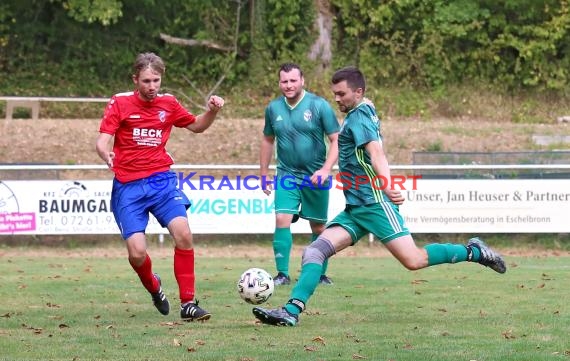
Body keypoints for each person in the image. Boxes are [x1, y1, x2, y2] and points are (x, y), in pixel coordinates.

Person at [253, 66, 507, 326]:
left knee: (414, 260)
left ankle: (474, 251)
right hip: (355, 209)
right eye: (335, 94)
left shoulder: (360, 117)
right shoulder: (359, 110)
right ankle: (291, 311)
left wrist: (386, 185)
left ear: (358, 92)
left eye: (341, 94)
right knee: (314, 252)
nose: (337, 99)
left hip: (375, 204)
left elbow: (376, 153)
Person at [95, 52, 224, 321]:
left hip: (161, 181)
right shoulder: (120, 103)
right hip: (128, 187)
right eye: (146, 81)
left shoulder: (169, 103)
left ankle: (188, 304)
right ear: (135, 79)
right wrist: (106, 154)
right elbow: (102, 140)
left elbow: (197, 126)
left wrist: (212, 111)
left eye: (156, 80)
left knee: (184, 234)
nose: (152, 86)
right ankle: (154, 286)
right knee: (137, 253)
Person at [260, 63, 340, 286]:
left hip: (316, 177)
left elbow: (336, 139)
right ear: (279, 83)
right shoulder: (273, 108)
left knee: (318, 226)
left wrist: (326, 169)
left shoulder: (319, 105)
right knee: (281, 218)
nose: (289, 85)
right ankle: (282, 274)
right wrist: (264, 173)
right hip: (286, 174)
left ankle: (318, 273)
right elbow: (267, 140)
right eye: (284, 81)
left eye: (293, 80)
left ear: (302, 80)